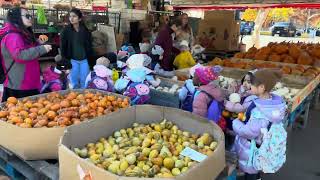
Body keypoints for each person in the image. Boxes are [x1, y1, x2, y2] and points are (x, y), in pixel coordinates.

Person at [232, 69, 286, 180]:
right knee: (255, 169)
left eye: (252, 83)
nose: (249, 85)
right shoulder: (271, 105)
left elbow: (248, 132)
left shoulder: (260, 112)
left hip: (252, 149)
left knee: (251, 170)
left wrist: (235, 122)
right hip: (262, 145)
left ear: (261, 87)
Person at [0, 7, 52, 102]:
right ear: (17, 18)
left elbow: (25, 49)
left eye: (30, 16)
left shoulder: (21, 33)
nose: (30, 18)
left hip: (26, 82)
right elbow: (20, 55)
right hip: (19, 85)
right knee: (18, 112)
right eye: (27, 16)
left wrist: (37, 43)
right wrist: (41, 49)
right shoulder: (13, 35)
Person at [60, 8, 93, 89]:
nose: (71, 18)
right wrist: (65, 61)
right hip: (72, 60)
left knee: (84, 81)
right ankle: (74, 98)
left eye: (74, 16)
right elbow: (63, 47)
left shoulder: (85, 31)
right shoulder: (66, 31)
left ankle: (84, 97)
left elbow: (89, 46)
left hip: (84, 60)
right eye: (70, 16)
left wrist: (91, 60)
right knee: (73, 82)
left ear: (80, 18)